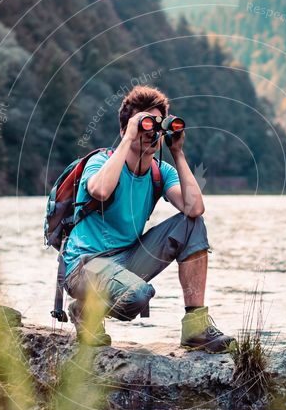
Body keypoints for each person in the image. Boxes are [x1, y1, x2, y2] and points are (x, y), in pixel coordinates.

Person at [63, 85, 236, 352]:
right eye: (144, 124)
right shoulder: (101, 162)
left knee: (191, 224)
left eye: (156, 125)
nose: (150, 132)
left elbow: (195, 208)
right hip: (85, 266)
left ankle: (196, 327)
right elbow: (100, 190)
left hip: (127, 258)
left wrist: (177, 152)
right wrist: (128, 138)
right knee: (139, 296)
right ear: (125, 129)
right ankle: (85, 311)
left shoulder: (160, 171)